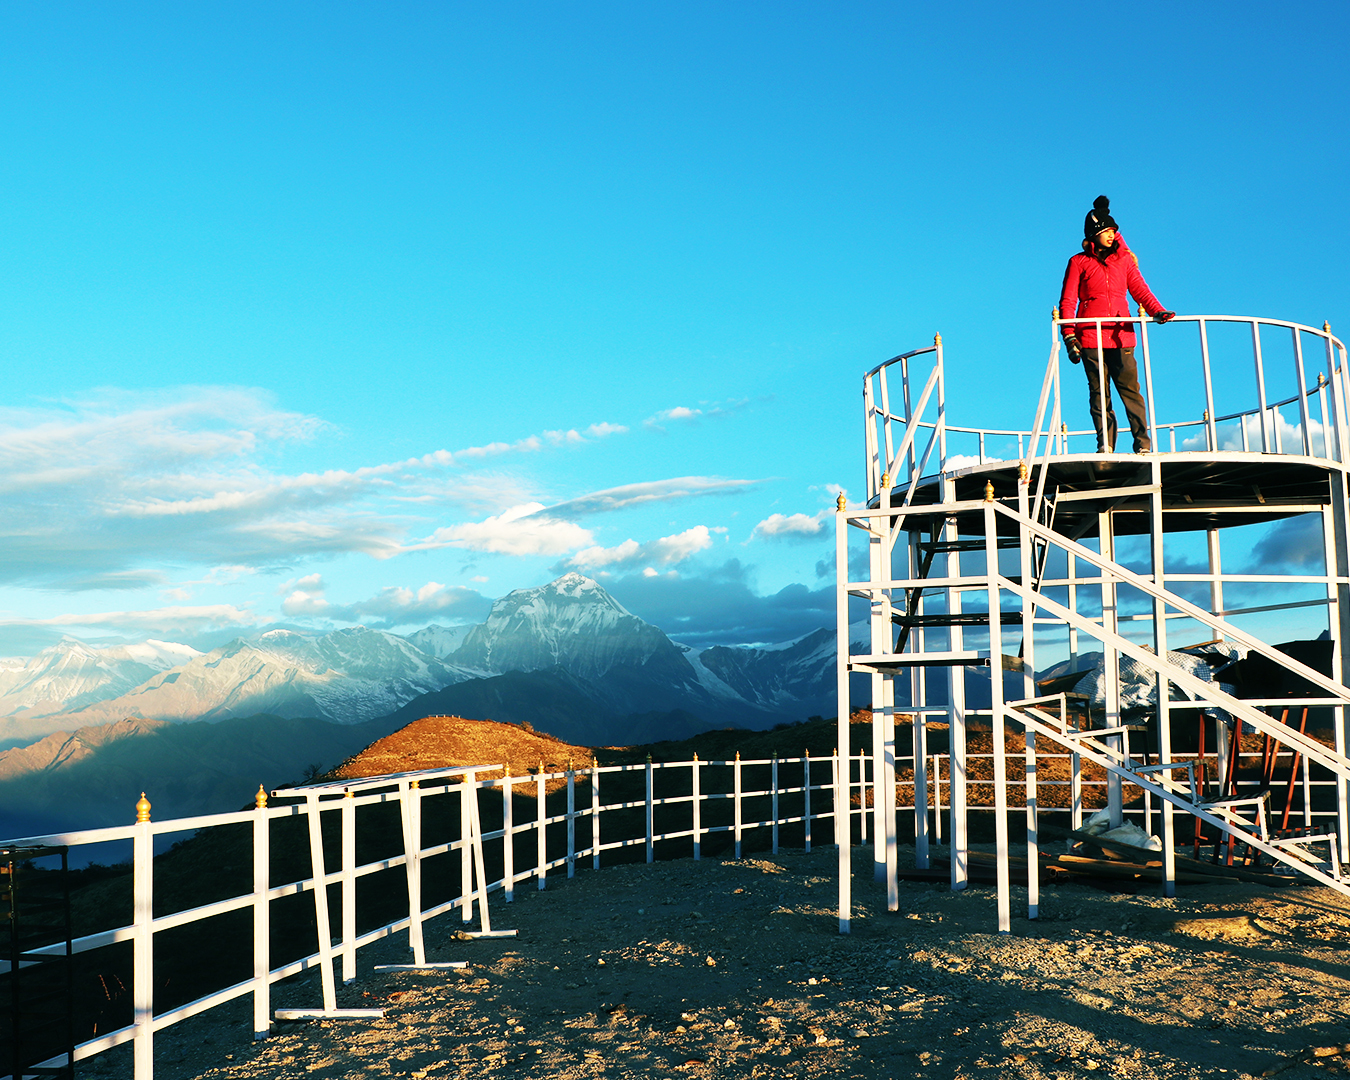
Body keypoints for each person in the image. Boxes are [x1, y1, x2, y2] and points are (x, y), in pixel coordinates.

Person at [1059, 196, 1175, 454]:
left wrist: (1157, 311)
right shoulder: (1078, 262)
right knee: (1099, 394)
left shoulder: (1123, 261)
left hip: (1121, 336)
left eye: (1114, 231)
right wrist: (1068, 336)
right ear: (1094, 234)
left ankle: (1142, 444)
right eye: (1106, 231)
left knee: (1131, 391)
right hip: (1089, 336)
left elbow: (1140, 290)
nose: (1112, 235)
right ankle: (1106, 444)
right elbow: (1067, 300)